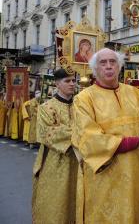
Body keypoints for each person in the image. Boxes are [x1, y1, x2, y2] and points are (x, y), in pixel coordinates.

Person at [72, 48, 139, 223]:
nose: (109, 66)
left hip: (136, 173)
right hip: (106, 177)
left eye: (113, 62)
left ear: (119, 67)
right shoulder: (83, 99)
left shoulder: (134, 93)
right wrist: (136, 141)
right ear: (95, 69)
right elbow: (89, 140)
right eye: (103, 63)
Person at [32, 69, 79, 224]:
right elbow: (47, 133)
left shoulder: (82, 106)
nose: (72, 84)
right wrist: (81, 133)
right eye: (67, 81)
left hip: (79, 163)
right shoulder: (46, 107)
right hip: (55, 163)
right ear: (57, 84)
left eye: (73, 80)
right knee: (55, 203)